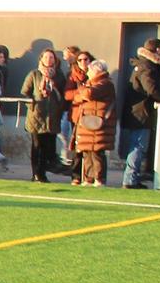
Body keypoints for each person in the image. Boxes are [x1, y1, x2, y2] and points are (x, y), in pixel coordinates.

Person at [120, 38, 160, 188]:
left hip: (137, 110)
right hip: (141, 111)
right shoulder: (147, 67)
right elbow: (151, 89)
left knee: (137, 145)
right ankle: (130, 179)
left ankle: (131, 177)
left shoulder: (141, 64)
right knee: (138, 146)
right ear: (158, 50)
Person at [20, 49, 69, 183]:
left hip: (52, 117)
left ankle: (44, 172)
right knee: (37, 146)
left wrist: (55, 89)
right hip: (36, 116)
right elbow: (25, 93)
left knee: (48, 147)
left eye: (51, 57)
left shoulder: (59, 76)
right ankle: (36, 173)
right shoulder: (34, 74)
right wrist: (33, 105)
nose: (49, 60)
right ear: (41, 59)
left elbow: (64, 95)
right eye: (46, 57)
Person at [67, 60, 116, 186]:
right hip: (87, 123)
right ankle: (88, 178)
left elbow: (89, 93)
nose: (87, 72)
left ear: (96, 71)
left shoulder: (105, 84)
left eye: (90, 70)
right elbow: (76, 97)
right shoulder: (90, 84)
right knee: (87, 151)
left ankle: (99, 179)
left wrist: (81, 93)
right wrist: (81, 94)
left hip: (98, 124)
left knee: (97, 152)